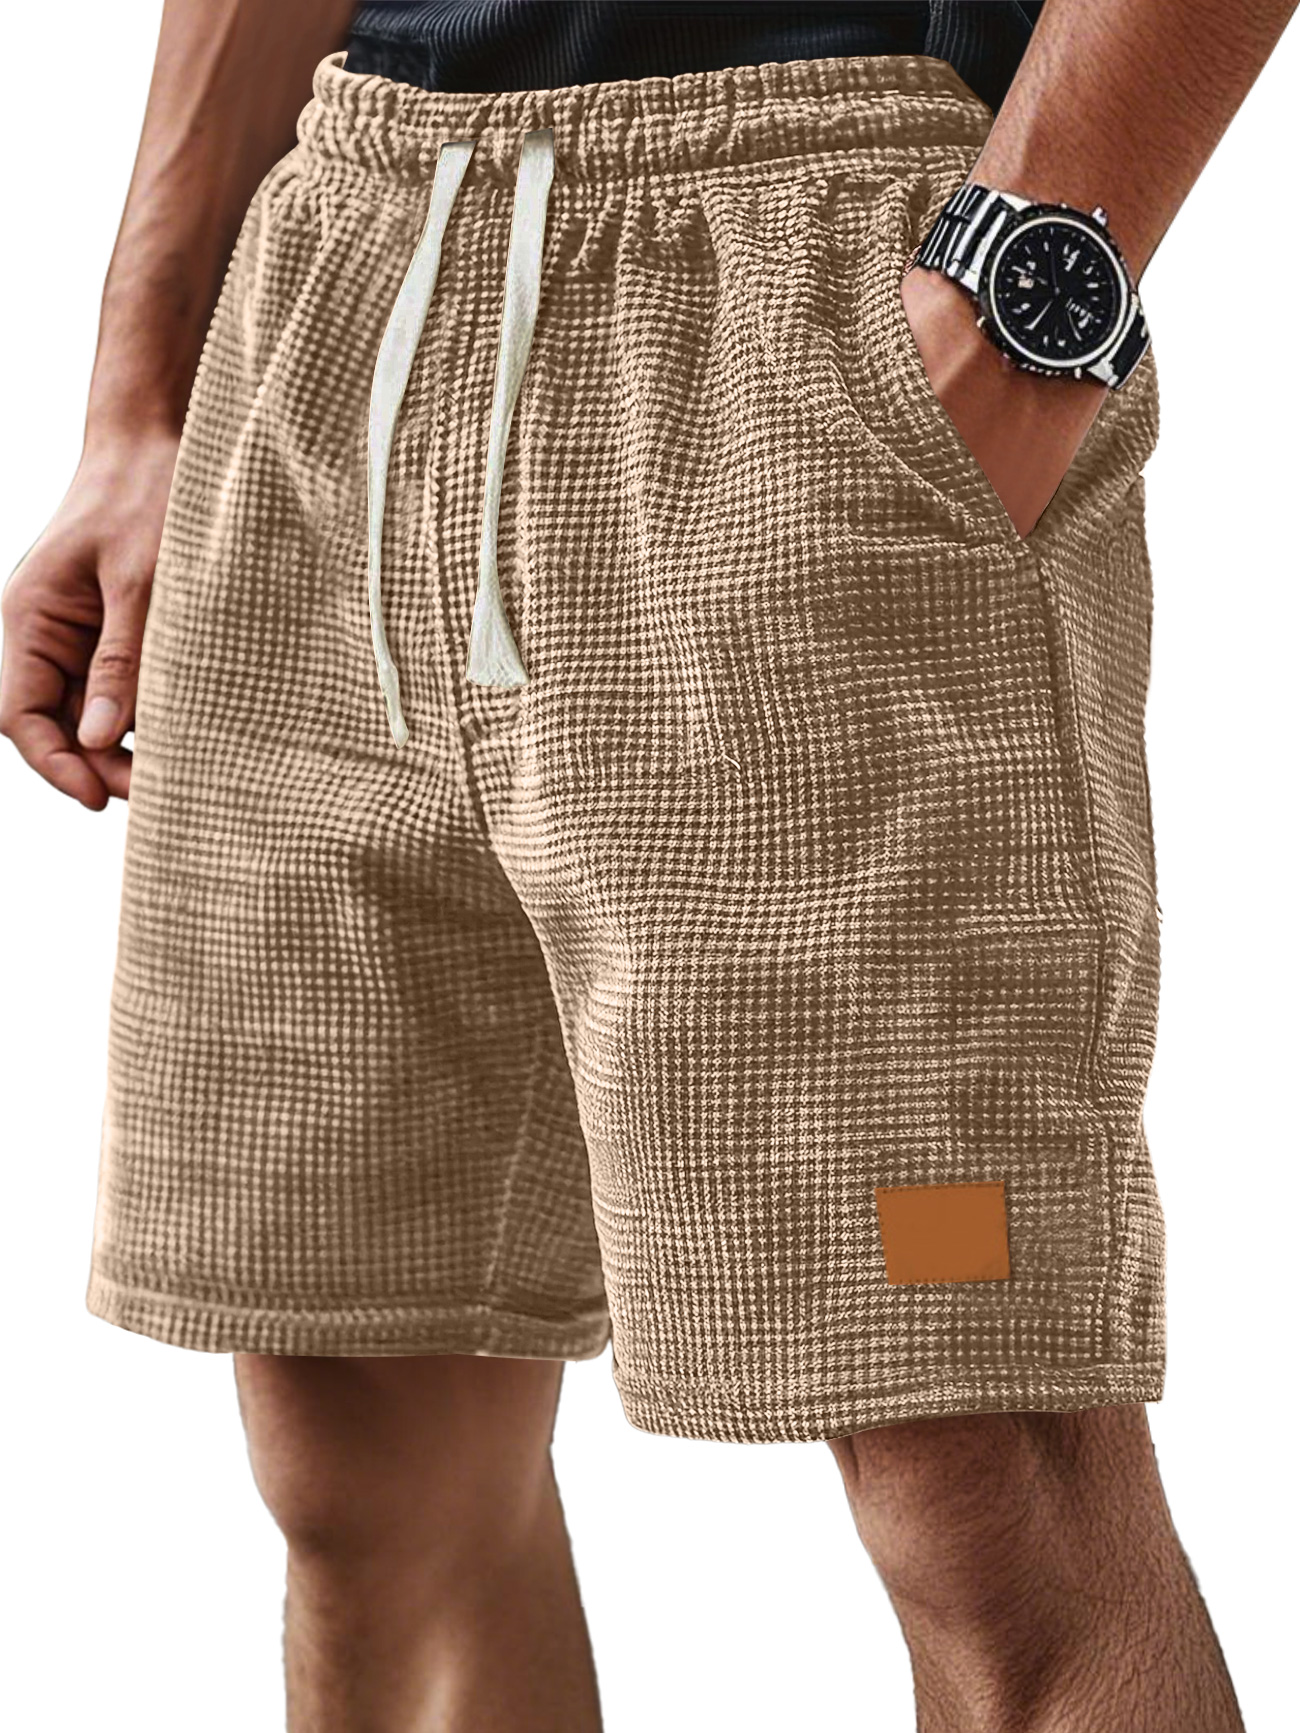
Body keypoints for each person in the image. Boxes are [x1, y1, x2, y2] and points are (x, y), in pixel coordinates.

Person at [0, 0, 1288, 1727]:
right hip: (340, 281)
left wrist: (1018, 295)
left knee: (978, 1458)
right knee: (353, 1437)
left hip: (807, 285)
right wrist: (139, 391)